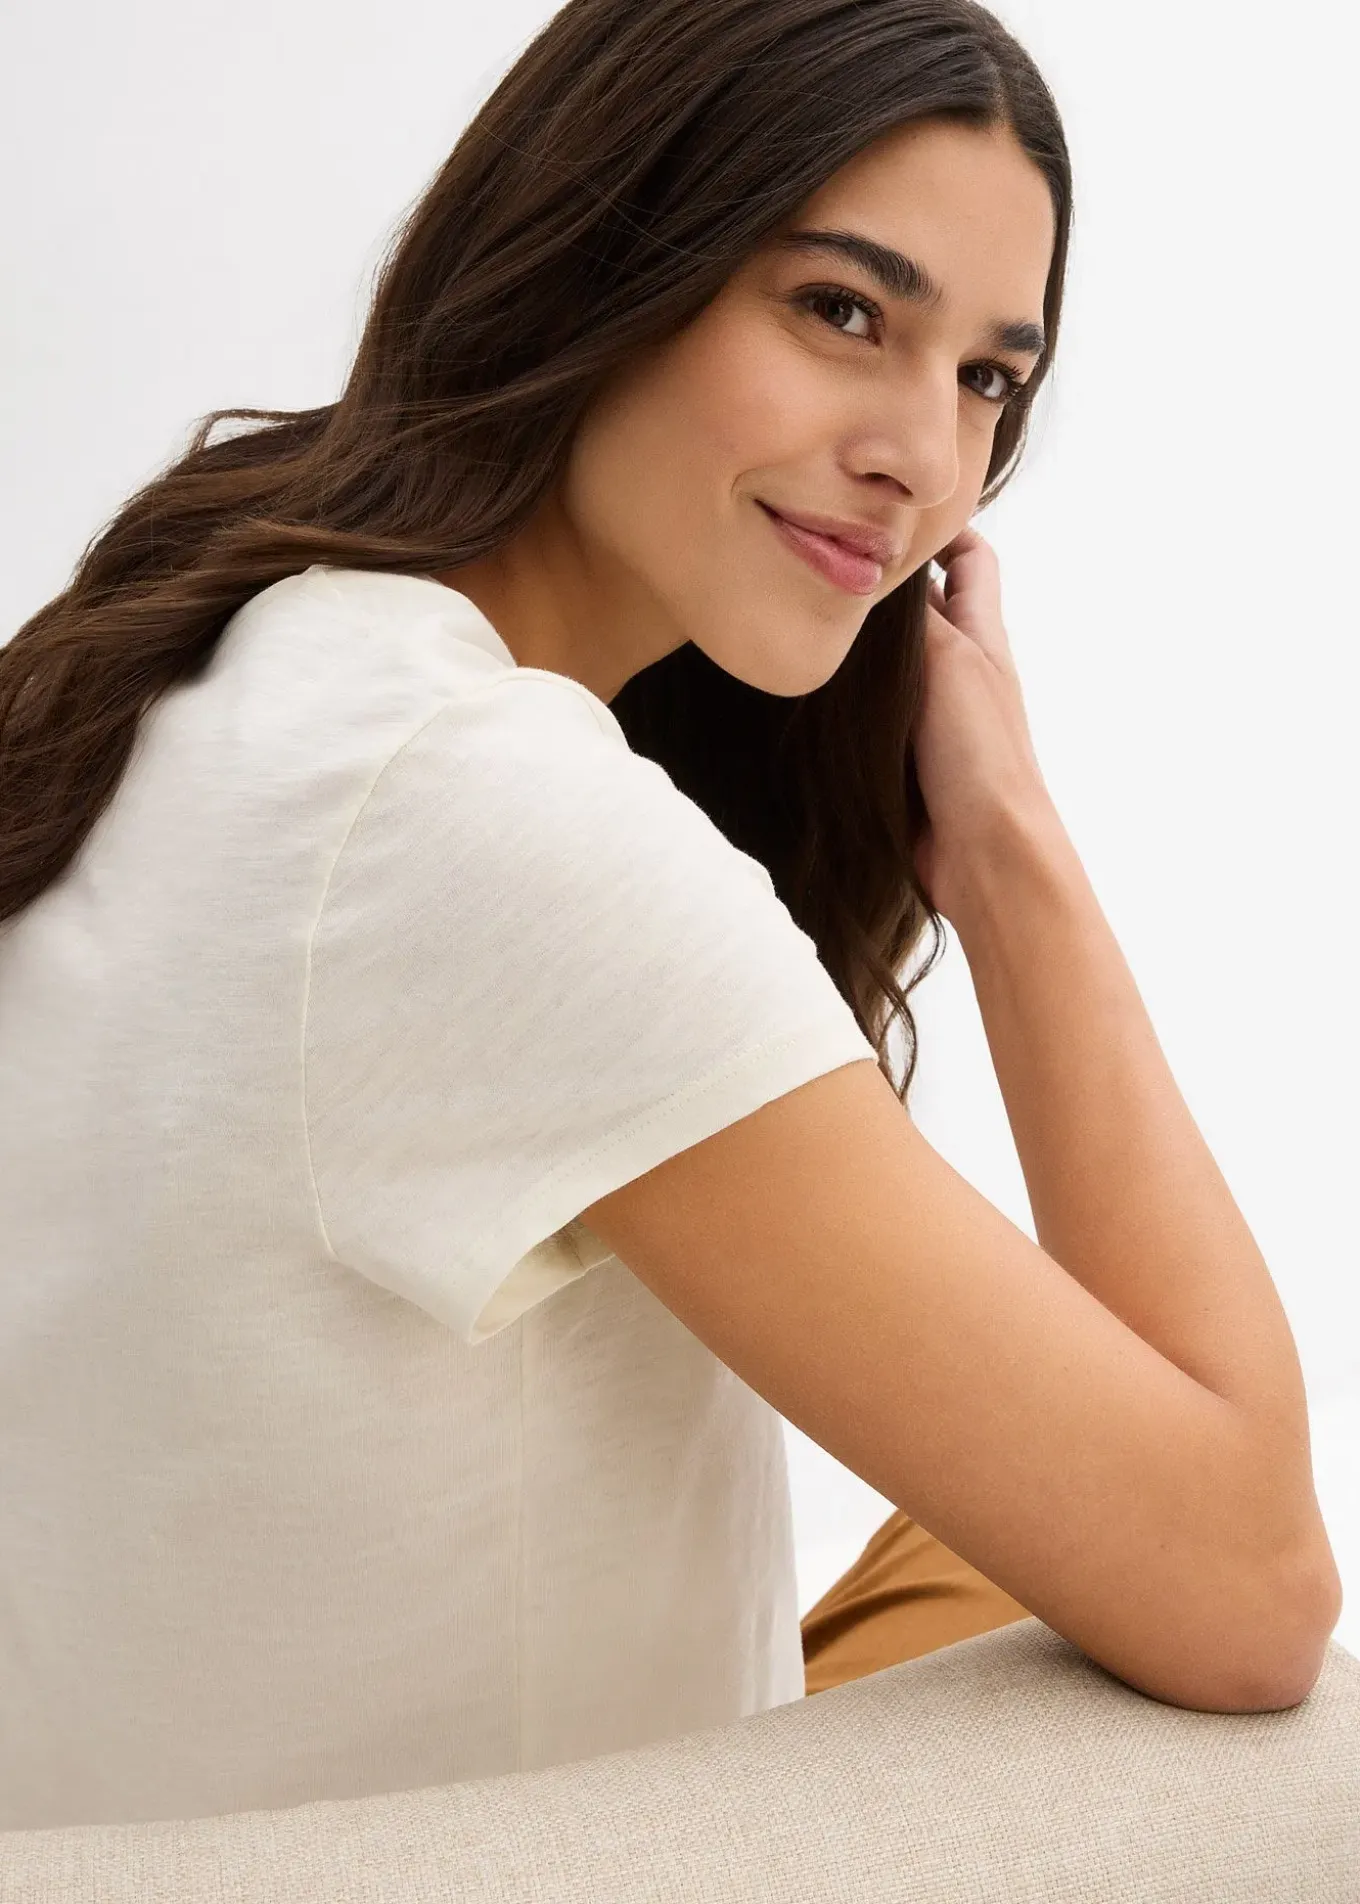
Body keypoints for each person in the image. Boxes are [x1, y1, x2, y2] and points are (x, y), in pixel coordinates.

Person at [0, 0, 1339, 1838]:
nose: (923, 458)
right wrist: (1012, 850)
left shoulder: (216, 645)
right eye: (842, 311)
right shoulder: (482, 810)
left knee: (988, 1528)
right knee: (1286, 1713)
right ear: (603, 259)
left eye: (986, 378)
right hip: (513, 1862)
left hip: (149, 1816)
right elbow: (1252, 1599)